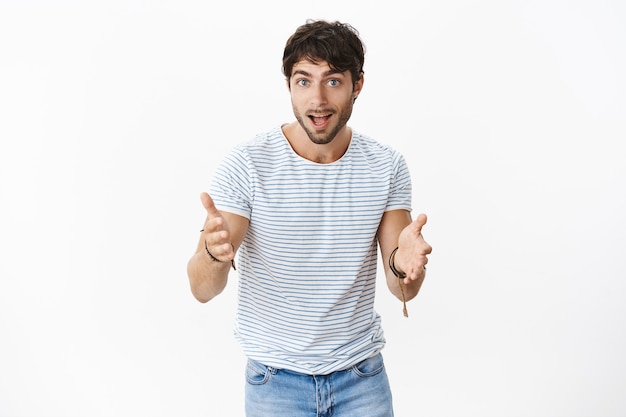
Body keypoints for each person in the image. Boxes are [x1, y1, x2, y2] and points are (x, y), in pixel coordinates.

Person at [187, 19, 432, 417]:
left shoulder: (386, 166)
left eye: (333, 81)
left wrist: (406, 270)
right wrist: (213, 257)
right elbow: (201, 289)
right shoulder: (248, 164)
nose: (317, 99)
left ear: (358, 85)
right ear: (288, 86)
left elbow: (400, 287)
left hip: (361, 379)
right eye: (303, 81)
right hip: (274, 383)